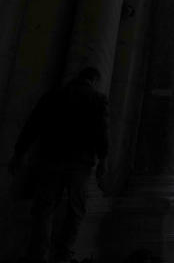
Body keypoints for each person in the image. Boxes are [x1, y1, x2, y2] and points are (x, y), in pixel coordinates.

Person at [10, 66, 109, 263]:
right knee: (76, 210)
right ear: (94, 80)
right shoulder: (97, 99)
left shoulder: (54, 96)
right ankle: (64, 253)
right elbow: (102, 134)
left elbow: (32, 125)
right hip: (80, 163)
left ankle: (38, 254)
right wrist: (103, 161)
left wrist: (19, 153)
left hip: (50, 158)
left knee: (44, 209)